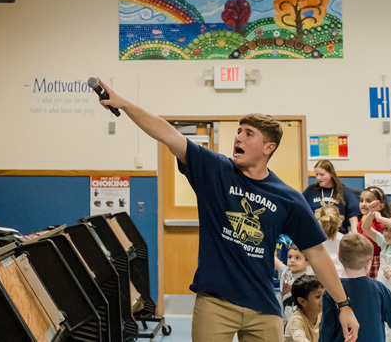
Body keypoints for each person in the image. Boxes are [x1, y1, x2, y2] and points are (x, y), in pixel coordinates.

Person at [96, 82, 358, 342]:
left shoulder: (288, 198)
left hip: (263, 305)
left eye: (249, 133)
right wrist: (124, 104)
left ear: (269, 147)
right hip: (215, 303)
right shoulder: (215, 170)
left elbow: (317, 253)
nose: (238, 137)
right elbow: (168, 134)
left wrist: (343, 304)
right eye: (238, 131)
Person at [321, 233, 391, 342]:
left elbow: (327, 329)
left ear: (339, 257)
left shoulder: (332, 291)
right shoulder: (379, 289)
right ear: (369, 262)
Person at [302, 160, 360, 234]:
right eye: (316, 175)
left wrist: (354, 233)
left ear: (331, 174)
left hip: (338, 234)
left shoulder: (344, 191)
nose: (318, 178)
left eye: (322, 175)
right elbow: (301, 210)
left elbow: (353, 216)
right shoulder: (310, 190)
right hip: (316, 234)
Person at [357, 186, 390, 278]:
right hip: (363, 263)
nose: (363, 204)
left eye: (368, 201)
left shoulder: (383, 225)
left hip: (379, 264)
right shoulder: (360, 224)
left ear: (381, 205)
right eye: (361, 200)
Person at [276, 245, 314, 322]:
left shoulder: (310, 276)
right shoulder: (285, 271)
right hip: (285, 320)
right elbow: (274, 259)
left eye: (297, 258)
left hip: (303, 320)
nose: (292, 260)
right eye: (289, 257)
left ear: (307, 262)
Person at [284, 274, 323, 342]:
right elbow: (299, 338)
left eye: (324, 295)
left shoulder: (322, 316)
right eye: (317, 296)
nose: (323, 299)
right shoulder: (296, 320)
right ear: (302, 301)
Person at [316, 205, 345, 275]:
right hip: (339, 272)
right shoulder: (343, 238)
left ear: (320, 220)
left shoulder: (315, 238)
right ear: (339, 220)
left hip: (319, 272)